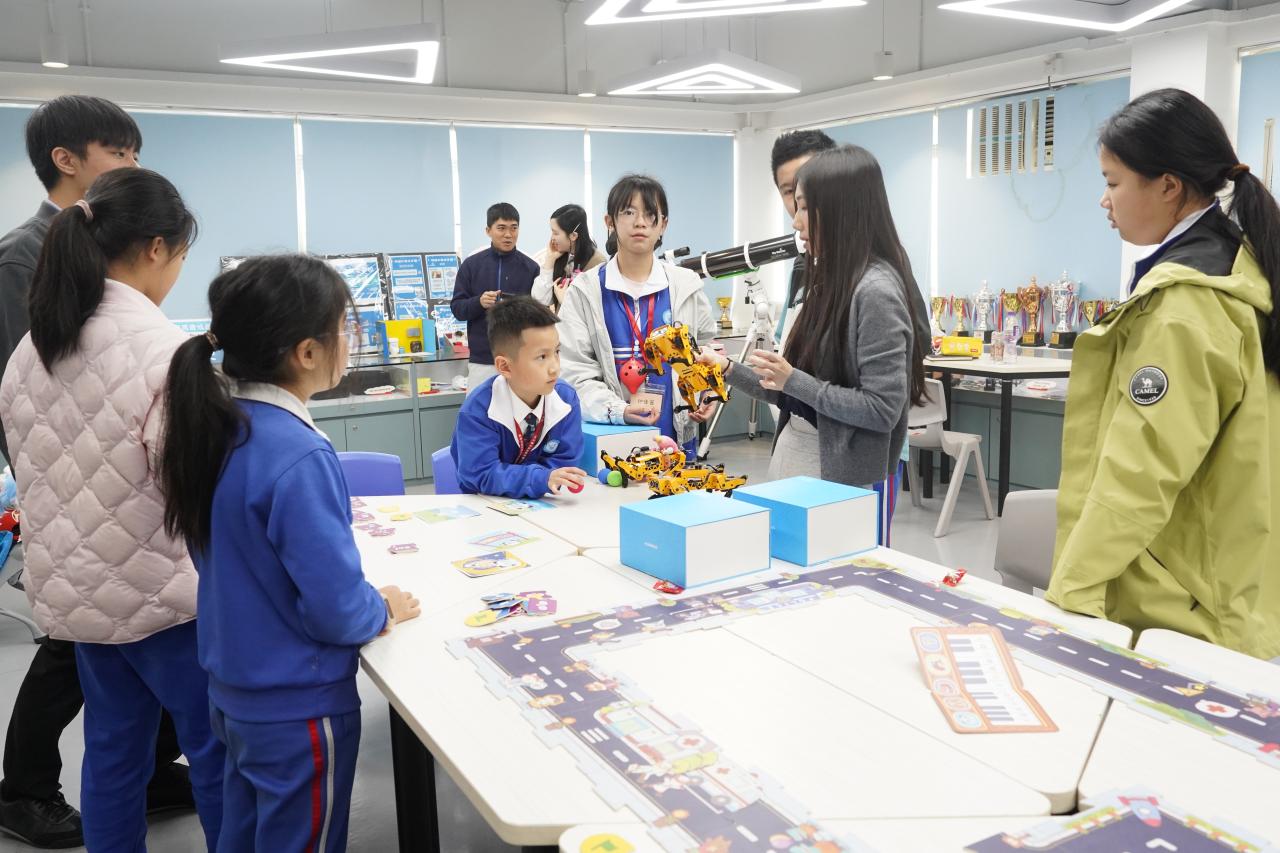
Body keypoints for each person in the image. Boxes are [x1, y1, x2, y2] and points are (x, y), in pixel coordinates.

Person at [159, 253, 422, 850]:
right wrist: (381, 607)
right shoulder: (298, 453)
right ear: (306, 352)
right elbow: (336, 607)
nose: (349, 342)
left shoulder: (219, 427)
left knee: (243, 835)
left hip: (233, 688)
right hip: (297, 705)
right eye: (344, 329)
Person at [0, 168, 224, 850]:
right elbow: (199, 489)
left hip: (81, 601)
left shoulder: (30, 350)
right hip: (168, 604)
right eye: (180, 256)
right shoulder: (165, 351)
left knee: (112, 753)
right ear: (156, 249)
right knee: (215, 751)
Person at [1047, 88, 1280, 660]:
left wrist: (1070, 589)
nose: (1104, 201)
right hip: (1227, 579)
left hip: (1177, 608)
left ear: (1169, 186)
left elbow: (1140, 473)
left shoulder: (1185, 307)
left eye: (1113, 182)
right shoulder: (1239, 266)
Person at [701, 145, 927, 490]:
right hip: (794, 462)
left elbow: (881, 409)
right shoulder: (828, 281)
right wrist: (728, 369)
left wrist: (793, 380)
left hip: (838, 481)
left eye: (805, 207)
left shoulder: (875, 292)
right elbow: (790, 391)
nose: (796, 222)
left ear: (841, 209)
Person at [559, 174, 719, 457]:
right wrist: (619, 411)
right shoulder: (586, 291)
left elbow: (706, 351)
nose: (640, 222)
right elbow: (573, 373)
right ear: (609, 222)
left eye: (650, 214)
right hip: (612, 442)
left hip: (678, 441)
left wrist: (708, 391)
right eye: (629, 212)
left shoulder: (686, 286)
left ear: (663, 224)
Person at [451, 295, 586, 498]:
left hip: (545, 503)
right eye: (542, 357)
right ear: (505, 366)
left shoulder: (566, 400)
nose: (555, 368)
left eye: (556, 352)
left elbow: (565, 462)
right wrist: (540, 479)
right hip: (484, 504)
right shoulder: (478, 410)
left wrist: (545, 480)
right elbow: (481, 474)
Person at [450, 202, 540, 394]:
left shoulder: (531, 268)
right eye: (501, 228)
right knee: (479, 410)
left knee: (519, 410)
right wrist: (479, 302)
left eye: (513, 228)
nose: (508, 234)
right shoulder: (471, 265)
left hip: (519, 360)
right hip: (482, 361)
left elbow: (539, 314)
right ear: (488, 230)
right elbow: (457, 309)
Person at [531, 204, 607, 311]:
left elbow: (596, 309)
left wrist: (566, 301)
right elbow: (540, 300)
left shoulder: (597, 263)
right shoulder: (560, 256)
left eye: (555, 233)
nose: (552, 238)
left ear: (573, 236)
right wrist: (550, 259)